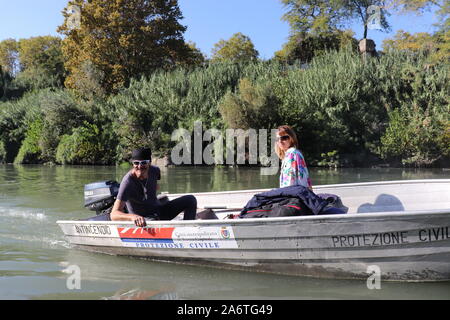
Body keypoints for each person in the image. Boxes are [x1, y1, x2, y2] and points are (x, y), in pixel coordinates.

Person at [111, 147, 197, 227]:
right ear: (132, 164)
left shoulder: (155, 171)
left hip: (159, 211)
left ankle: (188, 229)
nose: (140, 166)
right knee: (156, 223)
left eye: (144, 163)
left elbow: (155, 185)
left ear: (149, 163)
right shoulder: (127, 182)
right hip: (144, 219)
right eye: (136, 163)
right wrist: (133, 217)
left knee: (190, 199)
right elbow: (114, 214)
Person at [275, 125, 312, 190]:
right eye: (278, 139)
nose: (280, 141)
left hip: (294, 196)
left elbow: (293, 181)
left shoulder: (293, 154)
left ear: (291, 139)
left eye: (284, 138)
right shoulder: (288, 154)